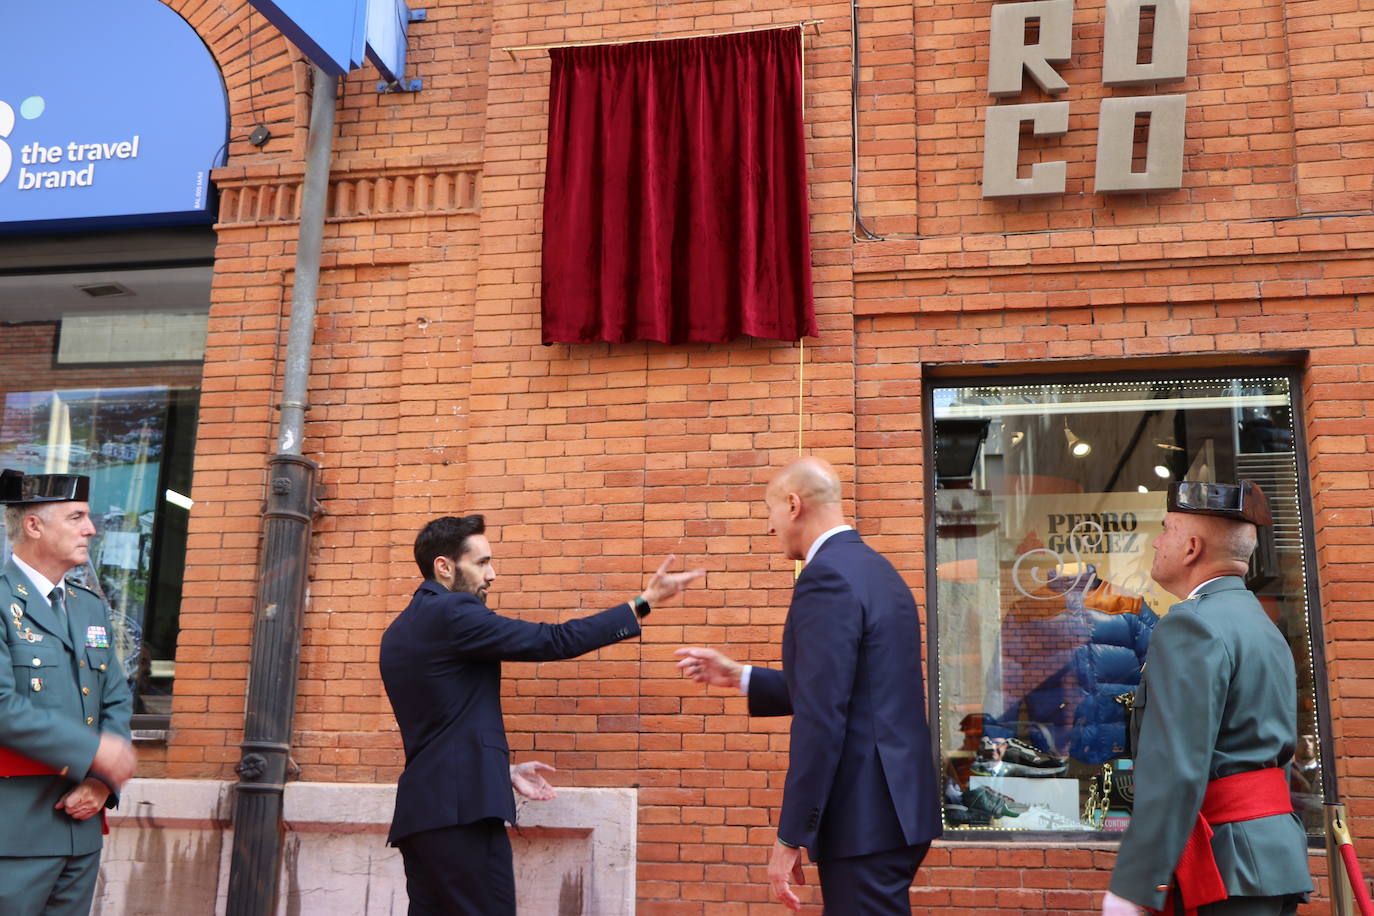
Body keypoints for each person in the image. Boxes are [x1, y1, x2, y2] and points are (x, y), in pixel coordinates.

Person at [379, 513, 703, 915]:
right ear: (443, 566)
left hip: (422, 817)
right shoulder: (452, 613)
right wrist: (642, 604)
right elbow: (553, 640)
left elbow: (442, 726)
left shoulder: (397, 632)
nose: (492, 574)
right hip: (461, 817)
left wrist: (501, 771)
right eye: (480, 563)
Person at [676, 457, 942, 913]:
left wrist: (790, 835)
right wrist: (741, 677)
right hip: (898, 810)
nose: (769, 526)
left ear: (793, 504)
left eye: (769, 511)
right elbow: (855, 690)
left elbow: (822, 718)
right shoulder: (880, 571)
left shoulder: (826, 578)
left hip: (865, 817)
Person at [1102, 480, 1312, 916]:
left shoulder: (1190, 625)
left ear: (1192, 548)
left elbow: (1175, 764)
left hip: (1225, 863)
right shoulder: (1261, 625)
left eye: (1165, 530)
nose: (1157, 542)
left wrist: (1137, 884)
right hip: (1272, 856)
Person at [0, 469, 137, 916]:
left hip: (79, 827)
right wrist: (96, 754)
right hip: (14, 830)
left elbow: (114, 697)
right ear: (34, 526)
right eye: (76, 517)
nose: (91, 529)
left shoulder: (88, 605)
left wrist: (102, 781)